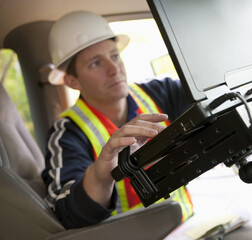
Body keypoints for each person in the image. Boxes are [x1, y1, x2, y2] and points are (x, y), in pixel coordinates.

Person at [41, 10, 193, 229]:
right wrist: (101, 176)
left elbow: (210, 103)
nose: (114, 69)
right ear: (72, 81)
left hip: (190, 227)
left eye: (114, 56)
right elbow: (66, 214)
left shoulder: (162, 91)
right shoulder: (66, 133)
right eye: (95, 63)